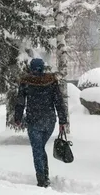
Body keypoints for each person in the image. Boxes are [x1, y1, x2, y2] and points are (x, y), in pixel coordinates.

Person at [14, 58, 67, 187]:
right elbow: (59, 101)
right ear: (43, 68)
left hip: (34, 120)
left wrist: (18, 118)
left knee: (37, 150)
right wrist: (62, 120)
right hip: (49, 120)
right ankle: (44, 176)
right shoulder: (51, 81)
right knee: (40, 148)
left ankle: (42, 179)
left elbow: (21, 102)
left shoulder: (26, 82)